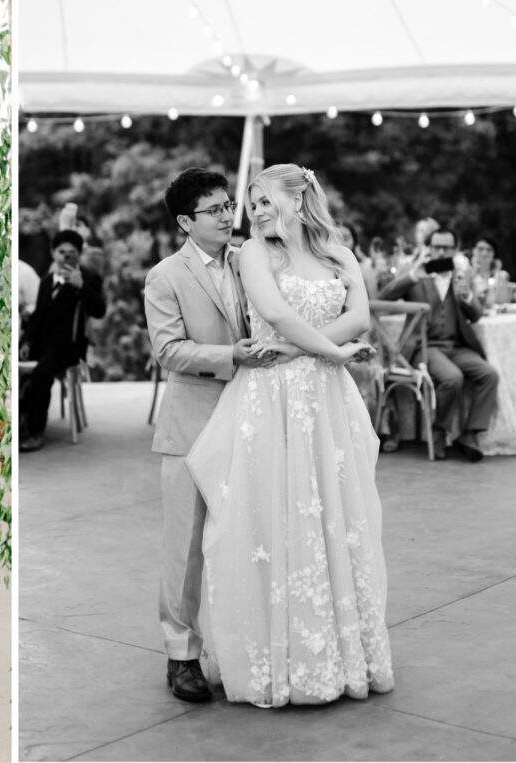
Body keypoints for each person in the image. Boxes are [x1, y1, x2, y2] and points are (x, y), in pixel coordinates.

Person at [185, 164, 393, 707]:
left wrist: (308, 351)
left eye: (261, 200)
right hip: (270, 401)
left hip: (323, 396)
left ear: (298, 200)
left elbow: (360, 317)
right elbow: (272, 311)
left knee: (334, 516)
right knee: (272, 517)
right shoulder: (255, 253)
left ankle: (340, 655)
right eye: (249, 203)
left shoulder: (336, 251)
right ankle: (278, 658)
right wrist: (334, 350)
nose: (251, 212)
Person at [144, 168, 274, 703]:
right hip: (192, 425)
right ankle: (181, 657)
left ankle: (241, 645)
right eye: (214, 210)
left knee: (248, 535)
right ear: (185, 222)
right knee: (187, 547)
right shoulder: (164, 277)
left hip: (252, 416)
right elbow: (168, 351)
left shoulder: (249, 262)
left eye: (228, 206)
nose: (227, 216)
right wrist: (230, 357)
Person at [379, 228, 499, 461]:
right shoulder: (417, 273)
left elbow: (475, 316)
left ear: (454, 250)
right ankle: (438, 430)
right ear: (429, 248)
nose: (440, 251)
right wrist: (414, 276)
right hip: (424, 348)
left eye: (446, 247)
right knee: (453, 378)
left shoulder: (461, 275)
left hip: (456, 347)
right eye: (436, 247)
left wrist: (467, 298)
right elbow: (384, 296)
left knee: (489, 375)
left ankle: (470, 434)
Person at [20, 230, 106, 452]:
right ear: (52, 253)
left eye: (72, 253)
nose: (66, 257)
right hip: (42, 344)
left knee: (41, 373)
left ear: (79, 254)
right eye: (61, 252)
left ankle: (36, 432)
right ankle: (21, 424)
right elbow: (38, 316)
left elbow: (99, 311)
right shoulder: (47, 281)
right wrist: (28, 342)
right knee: (18, 369)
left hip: (69, 345)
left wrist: (81, 287)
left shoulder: (88, 277)